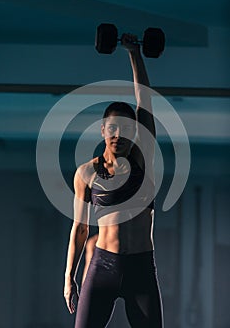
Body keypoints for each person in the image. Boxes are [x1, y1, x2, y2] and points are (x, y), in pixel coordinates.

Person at [64, 33, 164, 327]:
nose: (118, 135)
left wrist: (134, 53)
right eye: (112, 128)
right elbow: (80, 229)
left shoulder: (142, 159)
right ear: (103, 130)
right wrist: (69, 277)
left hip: (141, 269)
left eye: (125, 128)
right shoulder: (85, 173)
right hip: (103, 267)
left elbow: (144, 100)